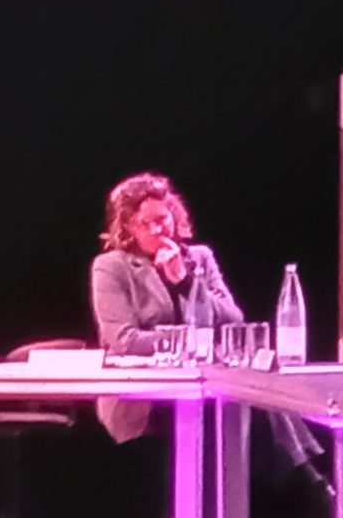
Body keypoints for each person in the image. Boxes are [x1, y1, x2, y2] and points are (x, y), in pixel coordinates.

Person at [89, 172, 243, 442]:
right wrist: (192, 342)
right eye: (143, 224)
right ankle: (305, 466)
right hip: (143, 395)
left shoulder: (200, 258)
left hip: (204, 383)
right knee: (243, 414)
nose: (156, 230)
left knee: (260, 401)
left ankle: (304, 466)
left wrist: (185, 281)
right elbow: (125, 341)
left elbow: (233, 320)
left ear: (175, 215)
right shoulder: (112, 266)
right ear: (129, 228)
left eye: (161, 219)